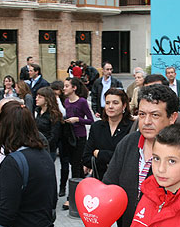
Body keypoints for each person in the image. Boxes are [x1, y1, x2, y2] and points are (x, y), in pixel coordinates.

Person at [79, 84, 180, 227]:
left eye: (155, 115)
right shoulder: (128, 144)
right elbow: (108, 192)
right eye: (141, 114)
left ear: (172, 118)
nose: (146, 121)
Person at [82, 88, 132, 181]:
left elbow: (128, 160)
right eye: (107, 103)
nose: (110, 106)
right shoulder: (96, 127)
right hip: (100, 180)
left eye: (115, 103)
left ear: (124, 106)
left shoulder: (131, 127)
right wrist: (112, 157)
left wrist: (99, 153)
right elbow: (86, 158)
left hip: (123, 181)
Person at [61, 77, 94, 210]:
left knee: (76, 167)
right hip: (69, 137)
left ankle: (72, 198)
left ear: (74, 88)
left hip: (80, 137)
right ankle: (82, 191)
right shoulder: (66, 102)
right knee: (75, 166)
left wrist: (78, 119)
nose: (64, 88)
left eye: (67, 86)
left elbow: (91, 120)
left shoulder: (82, 102)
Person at [35, 87, 62, 161]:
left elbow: (54, 136)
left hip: (48, 150)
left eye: (40, 97)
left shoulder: (53, 115)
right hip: (36, 147)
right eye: (37, 96)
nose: (36, 99)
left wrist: (43, 145)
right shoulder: (37, 111)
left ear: (47, 100)